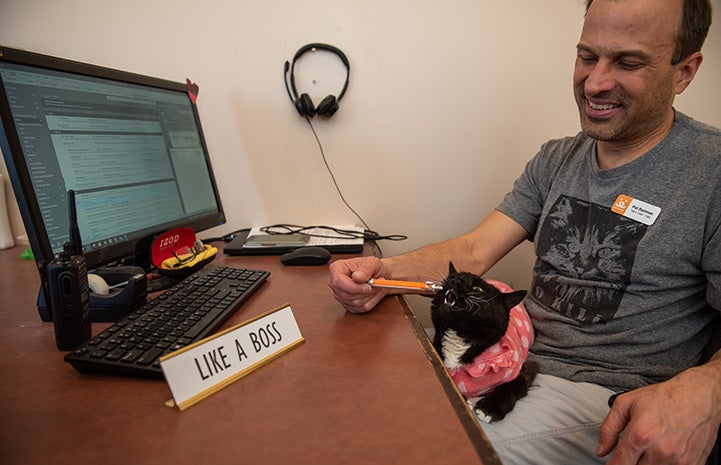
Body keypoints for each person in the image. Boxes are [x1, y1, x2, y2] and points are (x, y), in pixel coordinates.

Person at [328, 0, 721, 464]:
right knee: (353, 413)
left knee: (426, 449)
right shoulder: (557, 158)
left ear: (685, 72)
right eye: (587, 56)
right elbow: (474, 249)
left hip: (603, 392)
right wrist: (383, 272)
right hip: (515, 361)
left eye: (628, 62)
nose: (594, 83)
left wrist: (707, 389)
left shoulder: (710, 173)